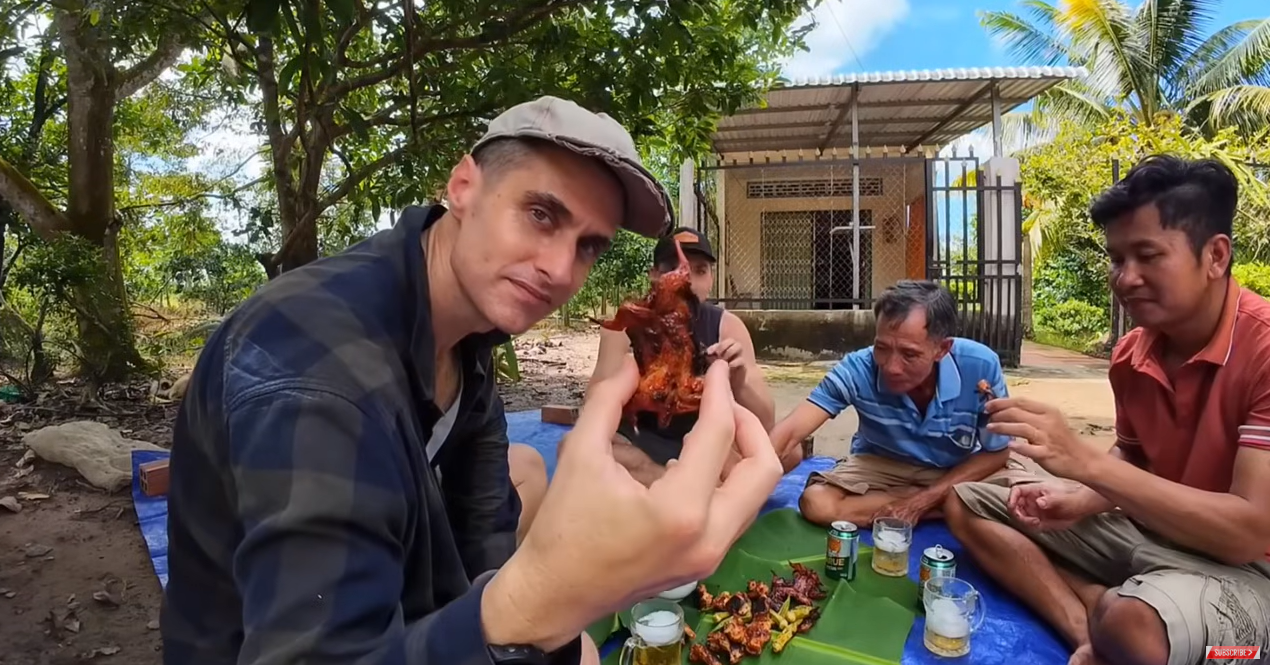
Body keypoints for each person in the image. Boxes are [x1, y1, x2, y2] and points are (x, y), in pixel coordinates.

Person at [160, 95, 784, 665]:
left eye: (588, 245)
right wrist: (541, 600)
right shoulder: (317, 366)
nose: (560, 268)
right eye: (541, 214)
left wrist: (543, 626)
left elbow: (484, 539)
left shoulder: (467, 337)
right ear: (463, 186)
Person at [946, 155, 1270, 665]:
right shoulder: (1131, 354)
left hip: (1249, 570)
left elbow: (1251, 531)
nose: (1126, 277)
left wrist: (1084, 464)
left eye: (1147, 256)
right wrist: (1078, 498)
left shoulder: (1264, 349)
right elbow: (1135, 458)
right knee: (968, 501)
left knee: (1136, 627)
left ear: (1216, 255)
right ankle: (1086, 626)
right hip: (1147, 531)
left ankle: (1120, 616)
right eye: (1117, 259)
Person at [769, 280, 1033, 528]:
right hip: (881, 465)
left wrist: (922, 501)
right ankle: (954, 506)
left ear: (942, 349)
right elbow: (791, 431)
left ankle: (939, 501)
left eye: (909, 354)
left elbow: (998, 451)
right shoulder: (858, 368)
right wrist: (739, 487)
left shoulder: (980, 366)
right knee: (817, 503)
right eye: (882, 348)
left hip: (955, 468)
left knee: (1026, 501)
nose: (891, 367)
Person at [587, 227, 777, 485]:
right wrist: (629, 372)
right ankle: (686, 487)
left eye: (699, 271)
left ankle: (673, 485)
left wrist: (739, 380)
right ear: (654, 276)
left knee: (782, 452)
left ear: (711, 279)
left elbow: (766, 422)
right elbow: (592, 413)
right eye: (672, 269)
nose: (686, 281)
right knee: (580, 451)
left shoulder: (727, 327)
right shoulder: (626, 325)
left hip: (701, 442)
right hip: (640, 442)